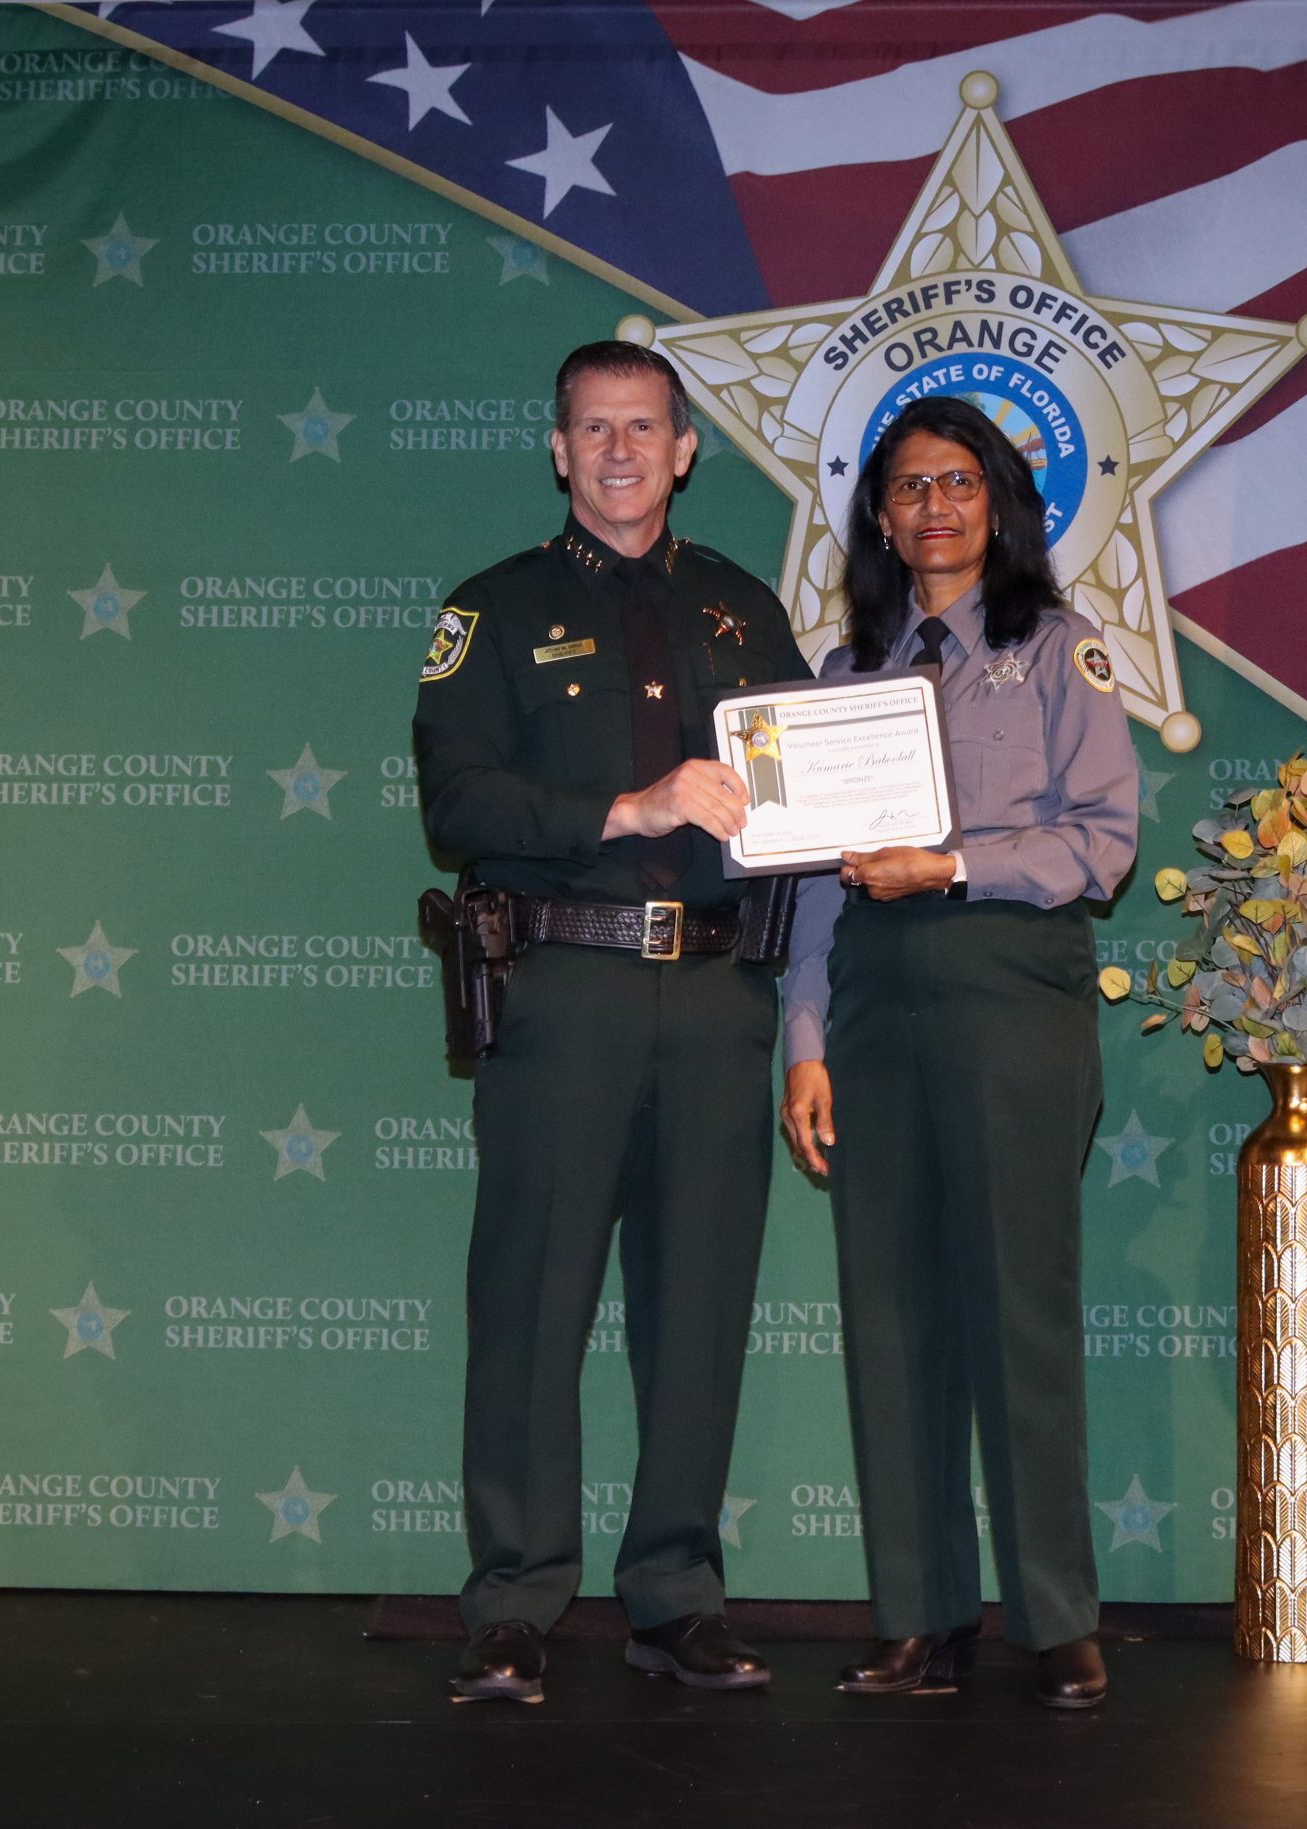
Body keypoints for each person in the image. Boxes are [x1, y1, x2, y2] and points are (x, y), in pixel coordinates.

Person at [415, 340, 813, 1704]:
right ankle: (514, 1599)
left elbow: (808, 793)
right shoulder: (493, 608)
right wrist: (623, 811)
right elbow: (457, 801)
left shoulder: (745, 610)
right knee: (531, 1298)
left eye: (645, 426)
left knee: (699, 1302)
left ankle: (677, 1595)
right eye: (596, 428)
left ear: (685, 449)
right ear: (559, 449)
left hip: (715, 994)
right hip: (564, 989)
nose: (622, 450)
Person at [778, 396, 1142, 1709]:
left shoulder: (1056, 650)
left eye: (959, 483)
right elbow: (811, 890)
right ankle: (919, 1617)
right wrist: (805, 1042)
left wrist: (954, 866)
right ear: (880, 516)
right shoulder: (842, 679)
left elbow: (1105, 842)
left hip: (1009, 991)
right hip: (873, 1006)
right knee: (890, 1316)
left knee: (1016, 1309)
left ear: (999, 505)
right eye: (910, 487)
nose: (934, 507)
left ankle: (1057, 1617)